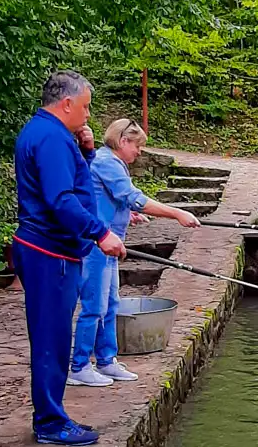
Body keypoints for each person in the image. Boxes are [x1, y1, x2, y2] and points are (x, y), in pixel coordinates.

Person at [13, 71, 126, 446]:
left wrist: (88, 151)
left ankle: (53, 415)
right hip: (49, 251)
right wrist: (101, 232)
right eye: (85, 107)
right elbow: (60, 199)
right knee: (52, 337)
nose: (87, 115)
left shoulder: (52, 134)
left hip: (53, 250)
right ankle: (49, 422)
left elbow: (72, 182)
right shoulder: (50, 138)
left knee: (56, 334)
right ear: (66, 104)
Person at [69, 117, 200, 386]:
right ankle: (79, 365)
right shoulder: (106, 161)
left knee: (111, 305)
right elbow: (132, 196)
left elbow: (110, 198)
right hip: (96, 244)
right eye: (137, 146)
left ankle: (106, 360)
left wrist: (127, 214)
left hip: (109, 243)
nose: (139, 152)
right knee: (94, 306)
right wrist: (176, 213)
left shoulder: (112, 162)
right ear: (123, 141)